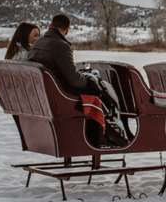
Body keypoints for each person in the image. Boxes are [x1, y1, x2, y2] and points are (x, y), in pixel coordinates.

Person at [28, 13, 128, 146]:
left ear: (50, 26)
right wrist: (89, 81)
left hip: (45, 93)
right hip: (59, 95)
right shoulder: (62, 46)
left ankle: (106, 133)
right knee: (101, 94)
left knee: (97, 90)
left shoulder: (37, 43)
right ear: (67, 30)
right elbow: (74, 80)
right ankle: (105, 135)